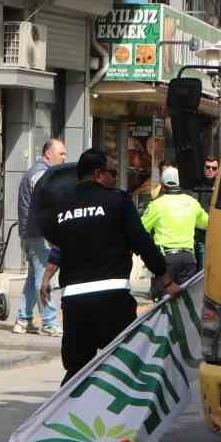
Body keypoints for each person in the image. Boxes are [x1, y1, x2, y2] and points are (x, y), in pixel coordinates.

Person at [40, 149, 177, 385]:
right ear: (99, 174)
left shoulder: (60, 207)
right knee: (123, 367)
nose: (115, 178)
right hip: (112, 300)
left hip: (74, 303)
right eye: (113, 173)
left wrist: (47, 276)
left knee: (77, 370)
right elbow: (143, 243)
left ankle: (68, 416)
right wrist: (166, 279)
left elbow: (57, 243)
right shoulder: (118, 201)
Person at [13, 137, 66, 336]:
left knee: (34, 276)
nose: (63, 157)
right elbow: (47, 204)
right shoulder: (41, 174)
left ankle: (23, 319)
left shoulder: (39, 172)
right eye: (61, 153)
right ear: (48, 153)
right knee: (45, 276)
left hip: (31, 233)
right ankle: (50, 322)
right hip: (38, 233)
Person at [141, 166, 208, 294]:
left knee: (163, 304)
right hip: (188, 259)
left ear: (163, 184)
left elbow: (141, 229)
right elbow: (206, 223)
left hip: (166, 260)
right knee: (186, 303)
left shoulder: (156, 205)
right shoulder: (192, 202)